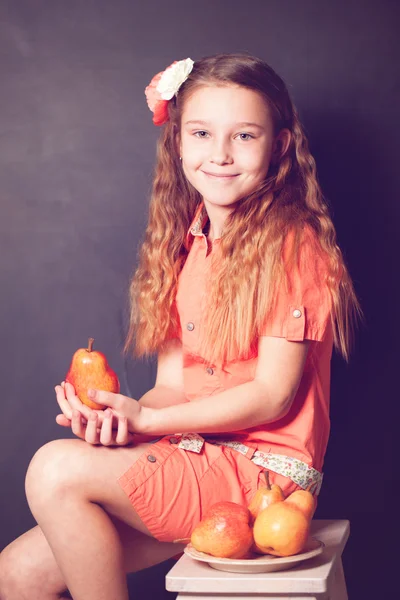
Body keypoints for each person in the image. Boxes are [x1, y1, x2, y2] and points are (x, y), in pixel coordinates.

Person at [0, 53, 361, 600]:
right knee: (17, 574)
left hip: (262, 478)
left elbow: (272, 397)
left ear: (280, 146)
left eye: (244, 135)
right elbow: (173, 387)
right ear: (178, 143)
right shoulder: (184, 243)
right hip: (193, 453)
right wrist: (123, 424)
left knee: (53, 469)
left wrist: (148, 423)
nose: (219, 154)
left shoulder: (293, 245)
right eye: (201, 133)